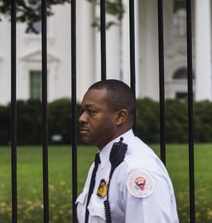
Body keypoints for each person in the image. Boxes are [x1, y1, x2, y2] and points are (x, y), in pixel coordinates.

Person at [76, 79, 179, 222]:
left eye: (91, 112)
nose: (81, 118)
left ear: (120, 117)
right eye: (82, 111)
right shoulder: (103, 162)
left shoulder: (136, 169)